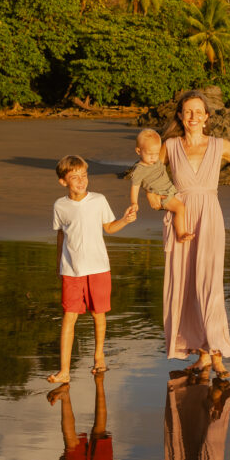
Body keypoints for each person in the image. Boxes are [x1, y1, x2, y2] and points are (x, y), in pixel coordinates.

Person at [156, 91, 230, 378]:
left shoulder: (219, 145)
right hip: (180, 218)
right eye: (187, 111)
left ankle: (217, 352)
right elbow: (148, 176)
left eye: (198, 112)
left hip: (208, 217)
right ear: (180, 116)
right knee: (184, 285)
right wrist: (158, 201)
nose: (193, 116)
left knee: (209, 285)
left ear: (206, 117)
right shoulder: (168, 146)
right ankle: (203, 354)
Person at [49, 155, 136, 383]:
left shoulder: (99, 200)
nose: (81, 181)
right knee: (69, 317)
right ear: (63, 181)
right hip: (71, 270)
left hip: (98, 267)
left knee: (99, 315)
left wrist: (125, 220)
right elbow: (60, 234)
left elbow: (109, 227)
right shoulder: (60, 205)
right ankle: (64, 371)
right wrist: (59, 263)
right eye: (74, 177)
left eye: (84, 176)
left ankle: (99, 356)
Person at [128, 128, 195, 243]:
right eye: (149, 154)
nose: (154, 158)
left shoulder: (155, 161)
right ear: (139, 151)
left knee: (185, 208)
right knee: (180, 208)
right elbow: (135, 187)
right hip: (162, 195)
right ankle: (181, 234)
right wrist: (134, 203)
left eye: (156, 154)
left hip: (170, 190)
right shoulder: (139, 170)